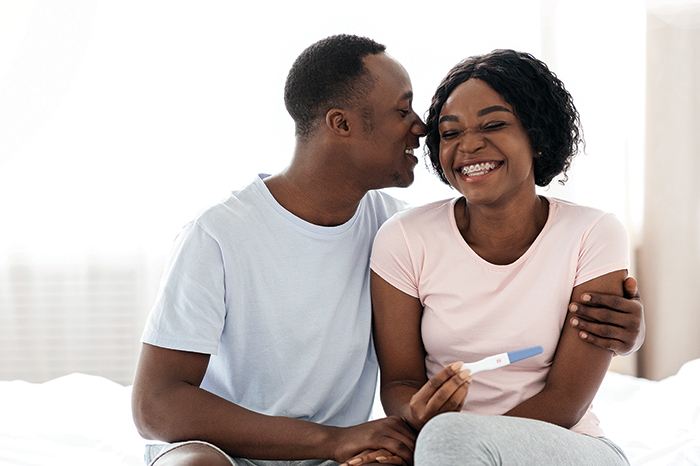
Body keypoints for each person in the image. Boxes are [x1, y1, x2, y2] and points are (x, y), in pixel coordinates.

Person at [131, 37, 644, 466]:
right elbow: (155, 406)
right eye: (405, 111)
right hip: (232, 451)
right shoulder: (220, 235)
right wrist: (341, 439)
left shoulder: (389, 224)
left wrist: (627, 332)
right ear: (342, 124)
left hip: (360, 456)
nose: (422, 127)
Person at [369, 49, 635, 466]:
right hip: (444, 448)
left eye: (493, 125)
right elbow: (400, 384)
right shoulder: (404, 238)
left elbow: (565, 403)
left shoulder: (593, 233)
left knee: (452, 440)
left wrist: (459, 441)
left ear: (539, 138)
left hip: (565, 443)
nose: (469, 145)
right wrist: (415, 413)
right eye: (450, 133)